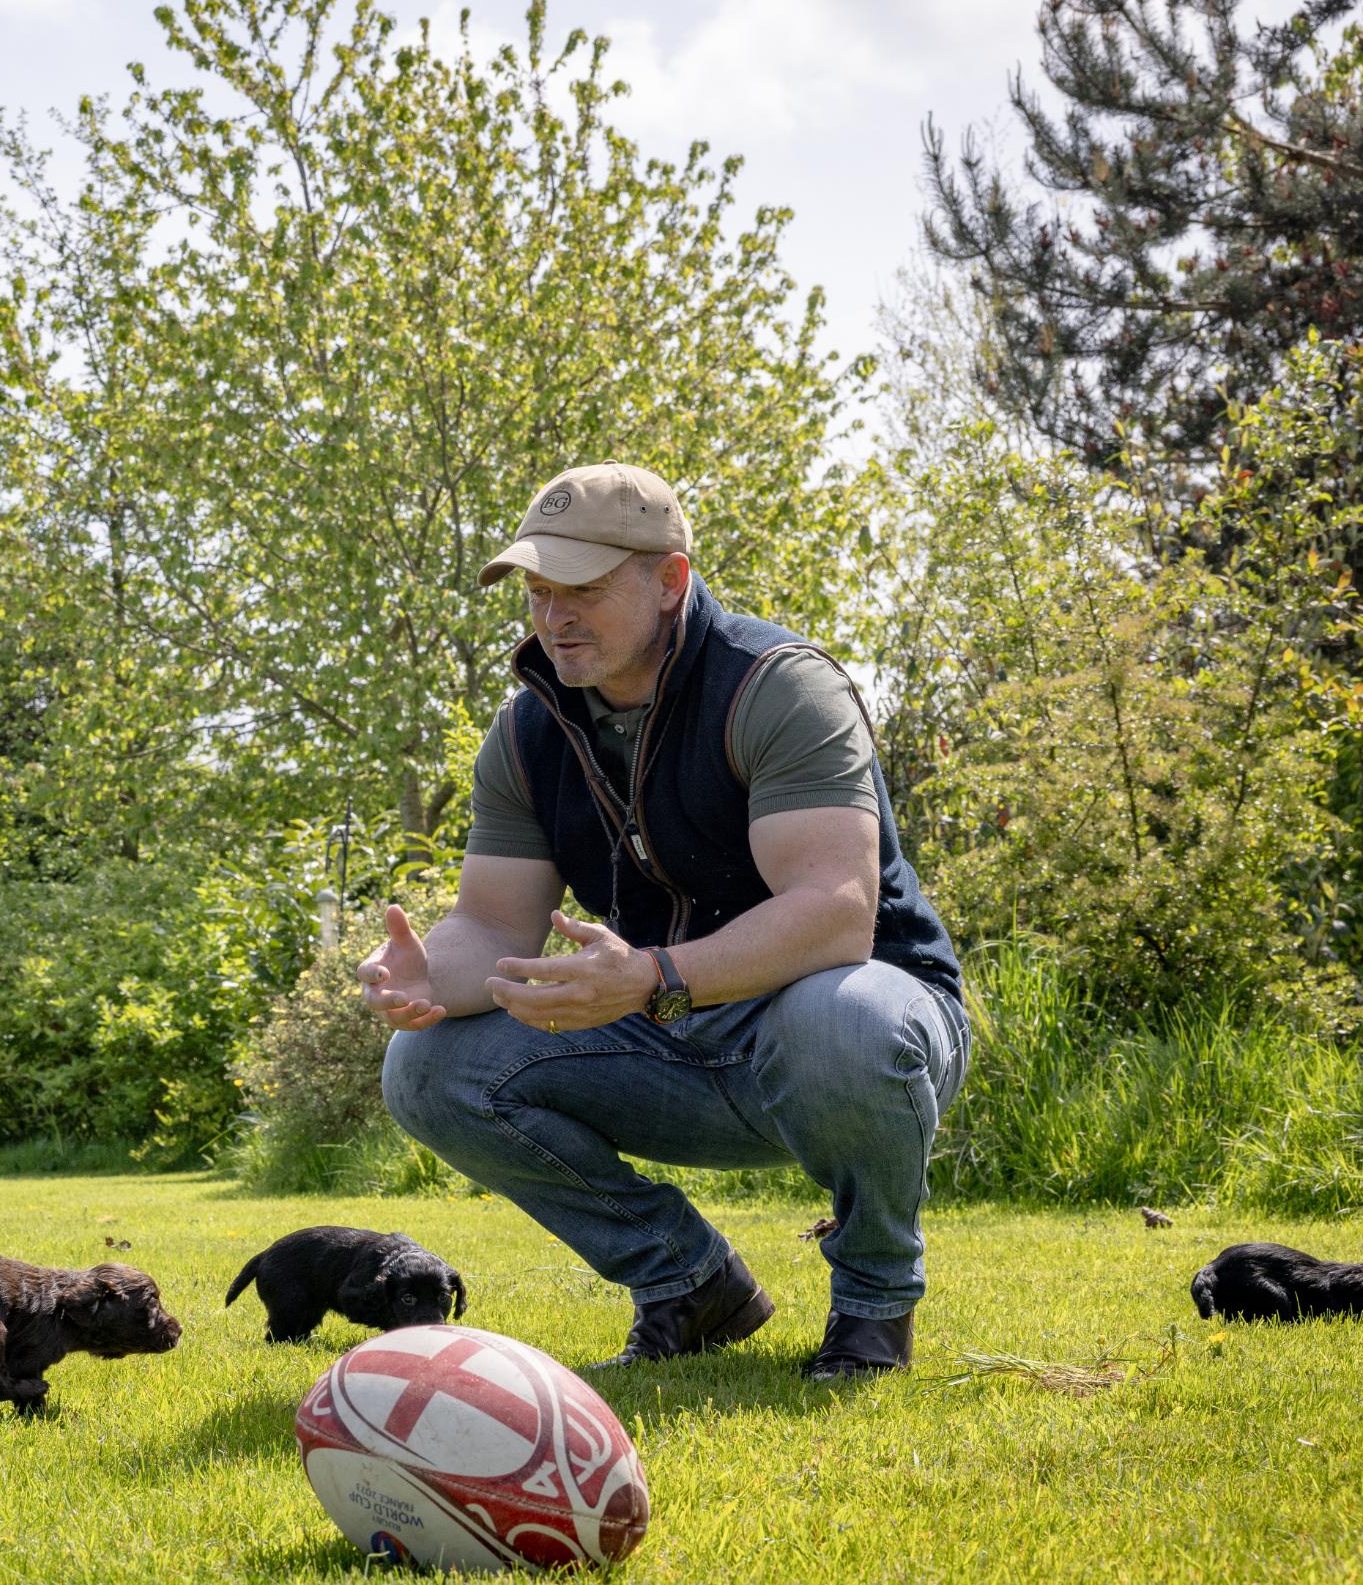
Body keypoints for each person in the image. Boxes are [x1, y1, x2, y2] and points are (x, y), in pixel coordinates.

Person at [360, 464, 967, 1380]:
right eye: (537, 590)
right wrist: (420, 974)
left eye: (583, 588)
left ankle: (874, 1303)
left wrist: (651, 976)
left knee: (841, 1018)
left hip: (852, 1029)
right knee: (426, 1065)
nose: (553, 615)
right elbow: (490, 928)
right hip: (671, 1032)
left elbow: (835, 917)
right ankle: (689, 1282)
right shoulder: (527, 733)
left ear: (670, 580)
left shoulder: (780, 688)